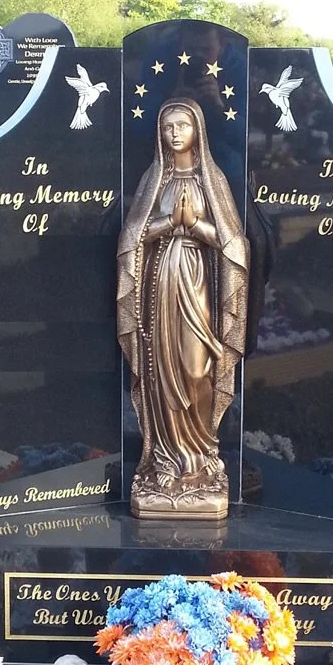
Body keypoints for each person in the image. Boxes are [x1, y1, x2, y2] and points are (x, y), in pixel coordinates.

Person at [117, 97, 249, 515]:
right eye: (168, 127)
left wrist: (194, 224)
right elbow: (132, 239)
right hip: (159, 286)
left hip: (198, 282)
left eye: (182, 126)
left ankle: (202, 452)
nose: (175, 134)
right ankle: (167, 458)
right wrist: (169, 224)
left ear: (198, 132)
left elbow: (233, 244)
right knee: (161, 370)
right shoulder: (153, 180)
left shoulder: (213, 180)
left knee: (196, 368)